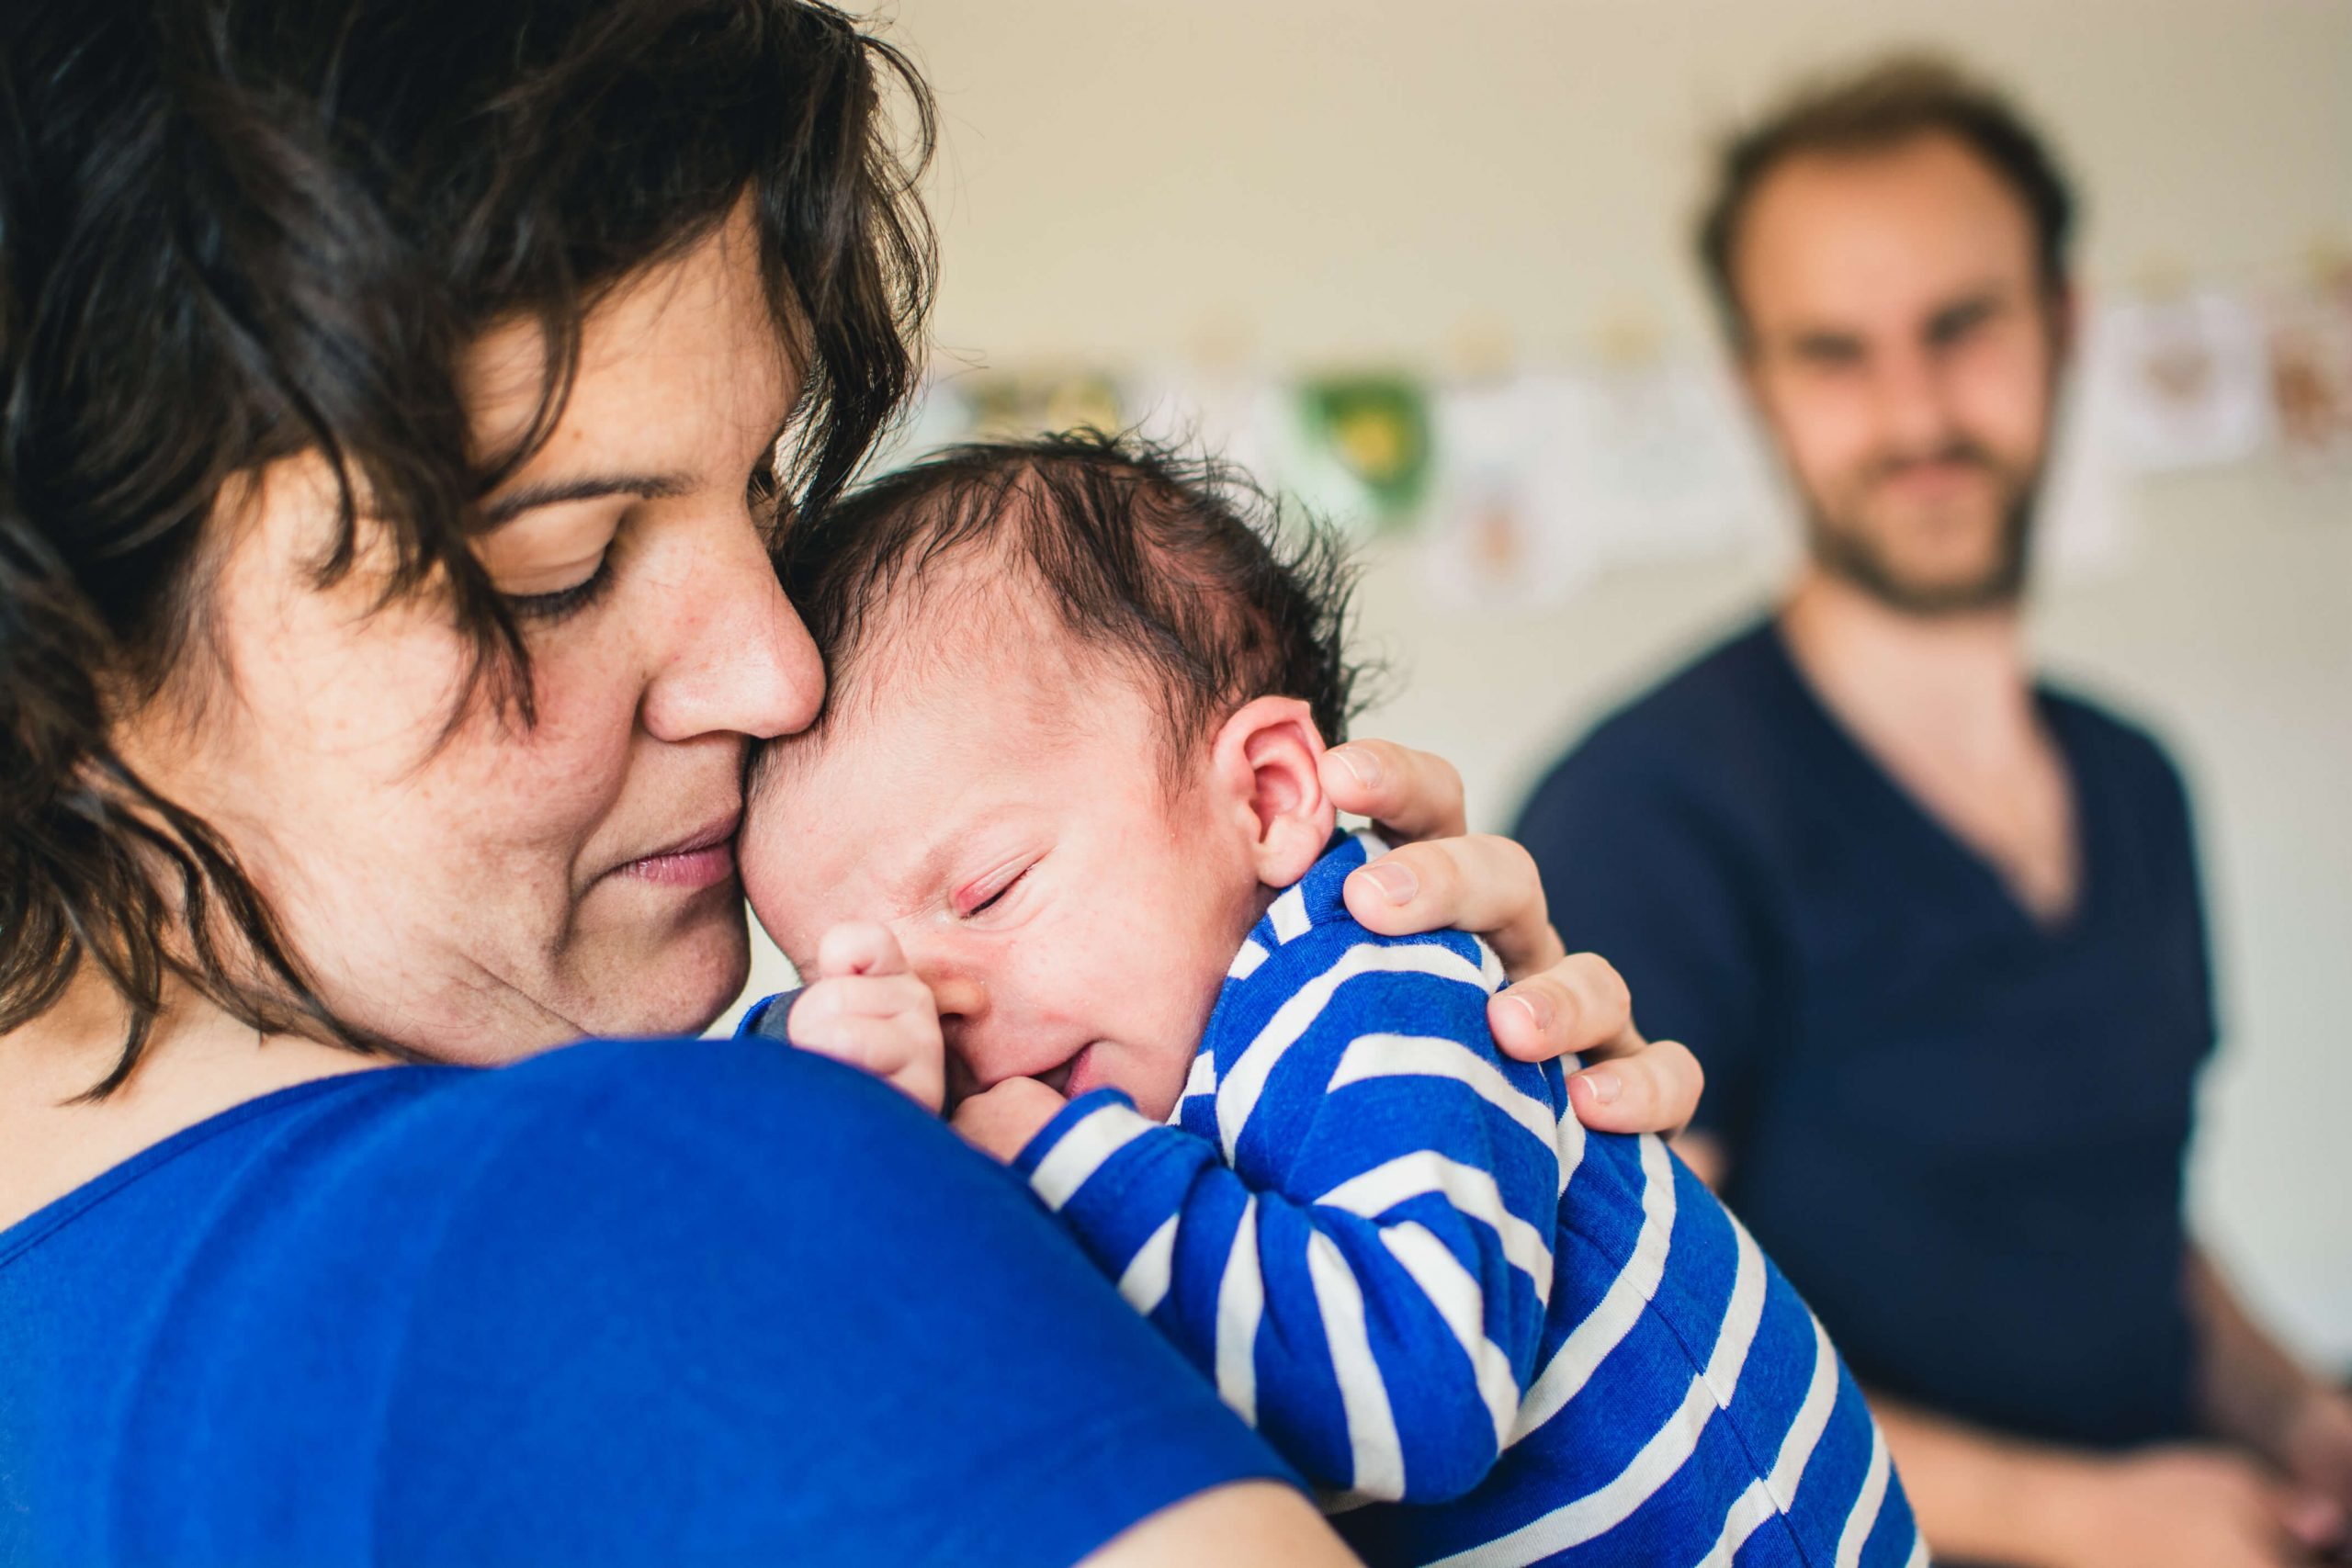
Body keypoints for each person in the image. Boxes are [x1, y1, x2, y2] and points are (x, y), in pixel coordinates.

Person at [0, 4, 1708, 1563]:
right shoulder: (679, 1199)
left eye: (760, 493)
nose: (779, 669)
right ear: (63, 650)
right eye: (560, 563)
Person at [742, 433, 1925, 1568]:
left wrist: (1061, 1163)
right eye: (848, 969)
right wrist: (823, 1058)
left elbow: (1424, 1395)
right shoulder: (1135, 1088)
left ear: (1264, 800)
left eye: (987, 891)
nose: (934, 1009)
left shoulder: (1375, 984)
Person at [1513, 54, 2352, 1568]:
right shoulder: (1649, 809)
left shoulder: (2134, 780)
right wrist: (2090, 1518)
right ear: (1759, 389)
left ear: (2062, 327)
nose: (1913, 410)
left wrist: (2295, 1410)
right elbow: (1617, 1345)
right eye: (1834, 352)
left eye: (1961, 326)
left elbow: (2127, 1212)